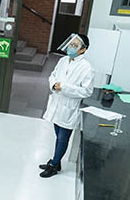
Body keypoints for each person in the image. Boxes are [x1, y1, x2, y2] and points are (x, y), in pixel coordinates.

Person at [40, 33, 94, 178]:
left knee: (62, 138)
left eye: (75, 45)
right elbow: (53, 75)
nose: (71, 47)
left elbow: (87, 91)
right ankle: (56, 161)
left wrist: (64, 87)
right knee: (58, 135)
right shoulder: (63, 60)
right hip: (57, 104)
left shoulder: (86, 68)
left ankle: (53, 165)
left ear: (83, 49)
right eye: (71, 44)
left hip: (69, 108)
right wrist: (54, 85)